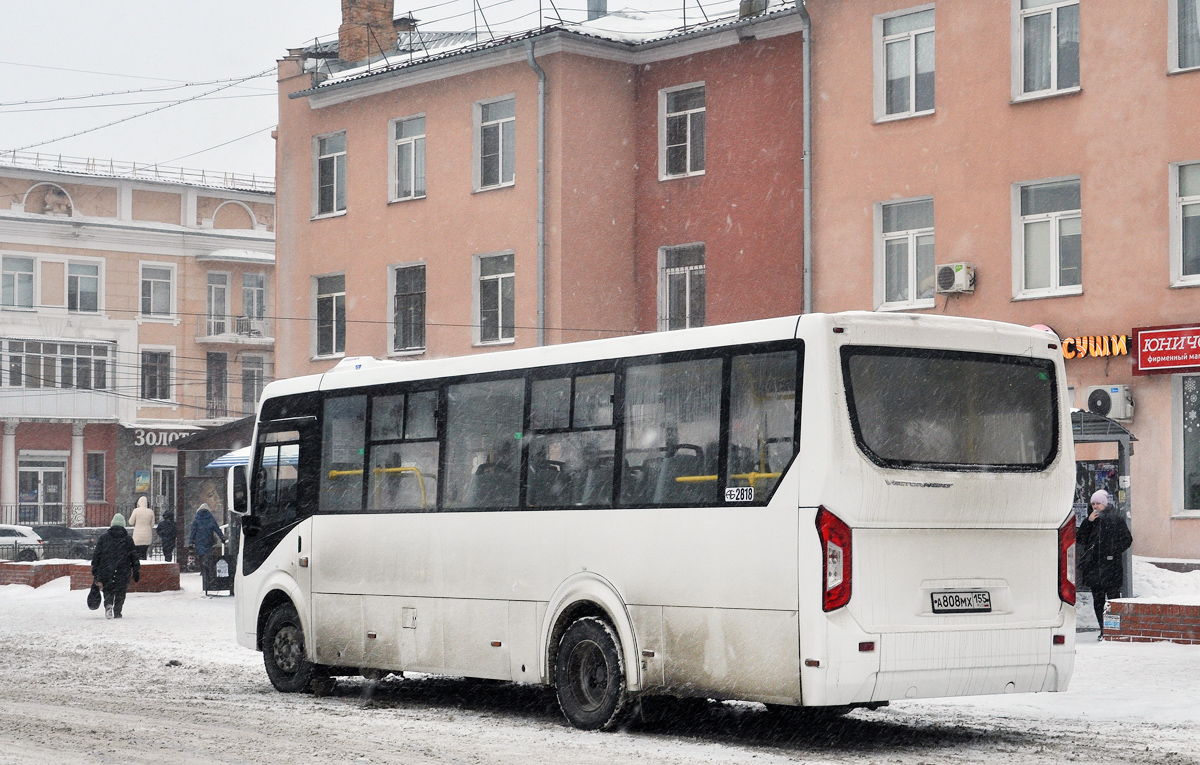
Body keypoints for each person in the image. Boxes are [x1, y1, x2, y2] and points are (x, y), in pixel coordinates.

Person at [1077, 489, 1133, 640]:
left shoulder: (1115, 519)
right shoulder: (1090, 520)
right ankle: (1103, 630)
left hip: (1111, 567)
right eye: (1093, 503)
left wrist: (1112, 552)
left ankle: (1114, 631)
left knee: (1113, 600)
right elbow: (1080, 539)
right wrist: (1088, 522)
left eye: (1098, 504)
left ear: (1105, 504)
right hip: (1094, 568)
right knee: (1098, 601)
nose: (1095, 506)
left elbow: (1127, 539)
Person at [90, 513, 140, 619]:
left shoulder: (104, 538)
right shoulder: (127, 539)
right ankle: (118, 610)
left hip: (106, 568)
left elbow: (97, 555)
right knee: (121, 591)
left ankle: (108, 605)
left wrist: (95, 569)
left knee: (108, 589)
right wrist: (136, 569)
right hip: (123, 569)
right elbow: (134, 556)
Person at [128, 495, 155, 560]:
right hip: (147, 536)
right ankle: (144, 562)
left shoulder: (136, 511)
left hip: (137, 536)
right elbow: (152, 524)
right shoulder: (151, 512)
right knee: (144, 552)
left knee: (137, 553)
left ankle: (138, 566)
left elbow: (130, 522)